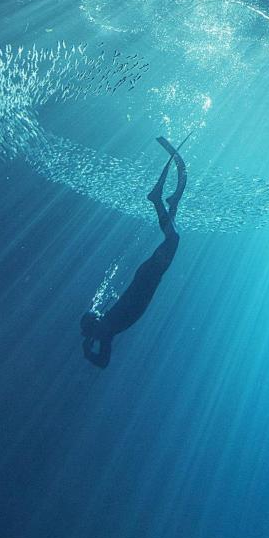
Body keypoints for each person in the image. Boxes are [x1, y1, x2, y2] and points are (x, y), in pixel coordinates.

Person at [81, 136, 188, 367]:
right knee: (172, 237)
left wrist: (89, 349)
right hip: (150, 277)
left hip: (148, 276)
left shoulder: (108, 325)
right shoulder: (107, 332)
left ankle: (157, 201)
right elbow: (103, 362)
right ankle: (168, 206)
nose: (99, 329)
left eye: (96, 325)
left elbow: (102, 359)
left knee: (173, 239)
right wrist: (89, 351)